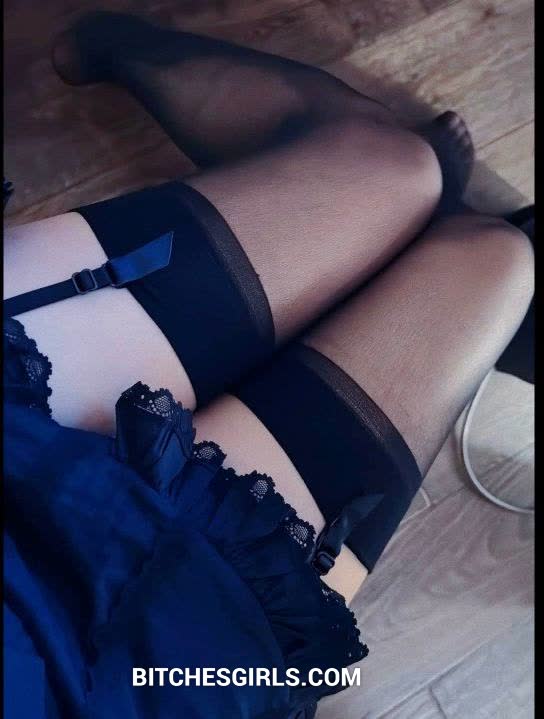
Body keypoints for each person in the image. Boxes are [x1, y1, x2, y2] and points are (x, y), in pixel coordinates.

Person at [3, 12, 534, 719]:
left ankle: (108, 46)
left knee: (396, 170)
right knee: (494, 261)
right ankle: (424, 237)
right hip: (150, 664)